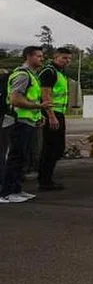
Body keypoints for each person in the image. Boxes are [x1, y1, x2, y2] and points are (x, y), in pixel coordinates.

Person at [0, 47, 50, 204]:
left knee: (22, 157)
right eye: (38, 56)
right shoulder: (22, 75)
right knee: (16, 157)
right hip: (19, 121)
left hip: (28, 121)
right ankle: (6, 192)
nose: (42, 59)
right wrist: (39, 107)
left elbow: (31, 99)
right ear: (28, 56)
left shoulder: (32, 75)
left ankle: (16, 189)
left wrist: (38, 115)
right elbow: (15, 100)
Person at [37, 47, 73, 191]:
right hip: (51, 112)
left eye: (69, 59)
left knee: (57, 148)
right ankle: (45, 180)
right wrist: (51, 115)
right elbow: (46, 95)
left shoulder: (60, 73)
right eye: (64, 58)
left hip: (59, 112)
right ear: (55, 57)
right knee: (50, 147)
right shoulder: (49, 72)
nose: (67, 61)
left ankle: (47, 178)